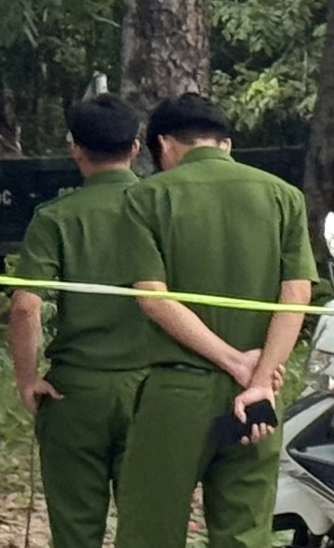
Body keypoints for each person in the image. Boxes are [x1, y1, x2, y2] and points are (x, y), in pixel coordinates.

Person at [112, 93, 318, 548]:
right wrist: (259, 378)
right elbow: (297, 293)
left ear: (164, 144)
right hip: (257, 400)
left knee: (151, 530)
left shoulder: (146, 198)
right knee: (244, 531)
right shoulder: (284, 197)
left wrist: (232, 360)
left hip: (177, 396)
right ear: (225, 143)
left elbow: (153, 298)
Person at [5, 95, 147, 548]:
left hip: (76, 391)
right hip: (153, 389)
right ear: (136, 147)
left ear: (74, 148)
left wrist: (27, 379)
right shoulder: (164, 208)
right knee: (148, 526)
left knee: (75, 530)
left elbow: (25, 306)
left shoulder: (56, 217)